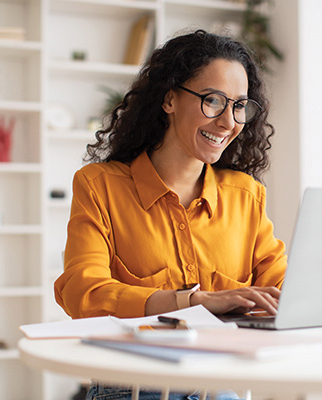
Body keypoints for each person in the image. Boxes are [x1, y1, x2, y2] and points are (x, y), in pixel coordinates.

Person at [54, 30, 288, 400]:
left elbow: (281, 290)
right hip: (133, 386)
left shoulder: (245, 195)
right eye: (213, 100)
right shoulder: (101, 186)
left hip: (220, 381)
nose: (228, 122)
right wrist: (192, 302)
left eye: (239, 106)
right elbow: (83, 292)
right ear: (169, 99)